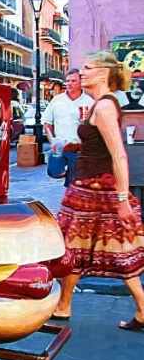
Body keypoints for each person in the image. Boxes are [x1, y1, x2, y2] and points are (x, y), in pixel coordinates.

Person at [52, 50, 144, 332]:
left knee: (80, 248)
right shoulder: (100, 105)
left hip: (95, 189)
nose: (82, 73)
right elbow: (103, 149)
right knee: (95, 249)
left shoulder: (103, 107)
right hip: (90, 186)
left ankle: (64, 306)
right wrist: (77, 147)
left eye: (88, 68)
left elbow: (119, 155)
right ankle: (64, 305)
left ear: (103, 73)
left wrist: (122, 198)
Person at [43, 68, 95, 187]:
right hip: (60, 146)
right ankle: (67, 174)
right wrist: (52, 141)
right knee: (53, 171)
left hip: (77, 147)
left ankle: (70, 192)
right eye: (68, 81)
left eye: (73, 81)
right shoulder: (57, 101)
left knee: (73, 182)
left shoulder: (89, 102)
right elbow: (47, 123)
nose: (69, 83)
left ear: (80, 82)